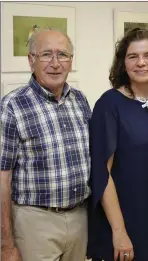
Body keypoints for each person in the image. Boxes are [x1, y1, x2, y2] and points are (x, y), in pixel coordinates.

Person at [87, 28, 148, 261]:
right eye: (133, 56)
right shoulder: (109, 104)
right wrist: (119, 232)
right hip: (121, 220)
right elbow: (102, 173)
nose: (141, 63)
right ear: (123, 63)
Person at [0, 29, 91, 261]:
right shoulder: (12, 106)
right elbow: (3, 178)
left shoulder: (80, 101)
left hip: (80, 217)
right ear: (31, 60)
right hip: (35, 222)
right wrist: (6, 244)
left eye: (62, 55)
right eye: (46, 55)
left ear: (71, 61)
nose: (55, 63)